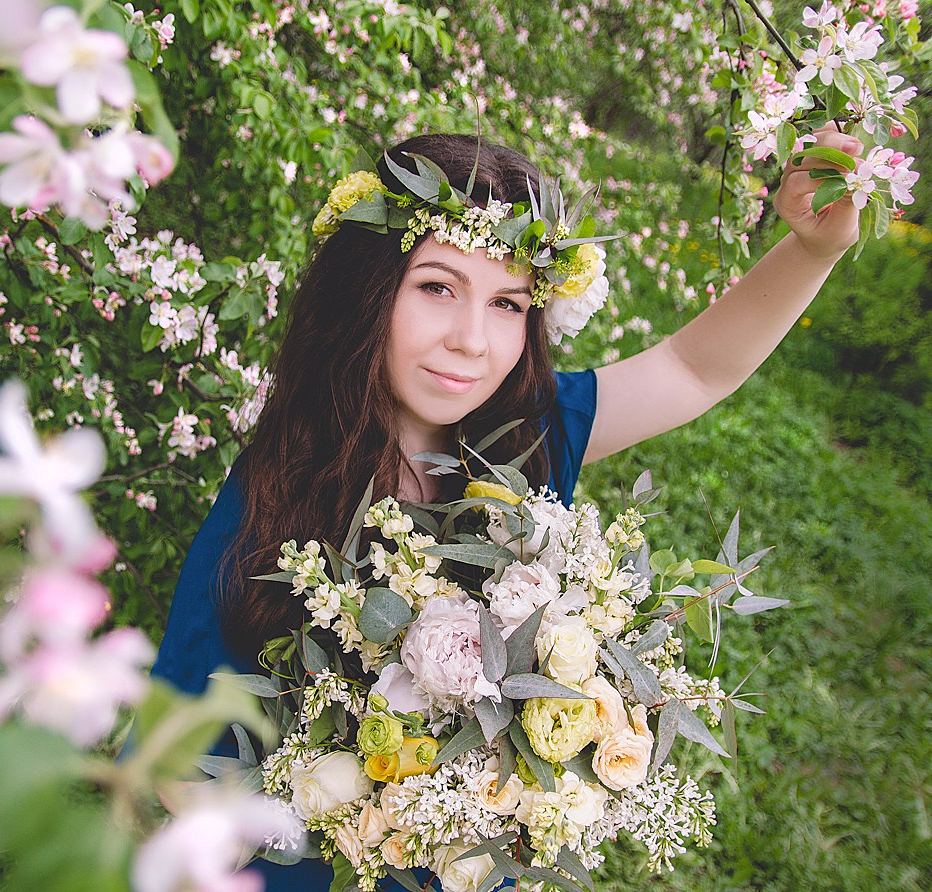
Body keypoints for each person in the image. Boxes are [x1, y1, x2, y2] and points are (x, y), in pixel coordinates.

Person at [149, 127, 863, 889]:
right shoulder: (283, 483)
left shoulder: (532, 435)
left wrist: (813, 251)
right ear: (370, 289)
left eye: (508, 303)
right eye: (436, 287)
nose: (471, 340)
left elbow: (692, 368)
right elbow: (173, 757)